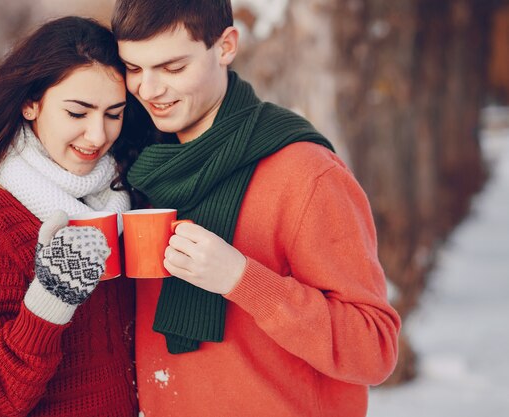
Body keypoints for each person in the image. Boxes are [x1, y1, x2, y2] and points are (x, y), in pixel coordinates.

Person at [111, 1, 401, 416]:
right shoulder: (146, 171)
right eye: (134, 69)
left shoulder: (306, 174)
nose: (149, 90)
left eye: (173, 68)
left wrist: (242, 279)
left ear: (226, 46)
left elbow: (374, 348)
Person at [0, 16, 145, 417]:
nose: (98, 136)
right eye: (78, 113)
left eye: (113, 114)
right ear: (31, 103)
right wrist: (49, 300)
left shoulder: (119, 194)